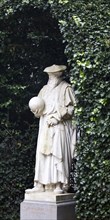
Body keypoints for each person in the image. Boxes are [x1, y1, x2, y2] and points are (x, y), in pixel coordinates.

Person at [27, 64, 76, 194]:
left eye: (54, 74)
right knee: (42, 155)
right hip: (44, 126)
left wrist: (58, 117)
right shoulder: (44, 90)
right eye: (49, 75)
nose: (51, 77)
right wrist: (36, 112)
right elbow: (39, 108)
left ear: (59, 74)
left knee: (57, 154)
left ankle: (58, 184)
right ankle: (40, 184)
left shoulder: (66, 88)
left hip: (58, 126)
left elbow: (71, 109)